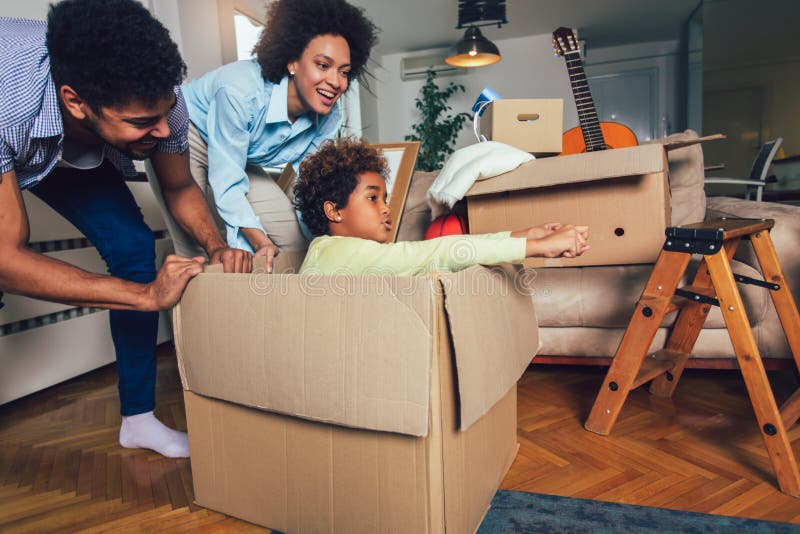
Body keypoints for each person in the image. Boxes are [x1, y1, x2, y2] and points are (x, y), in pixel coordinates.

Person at [0, 0, 252, 458]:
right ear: (75, 102)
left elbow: (178, 187)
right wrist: (146, 296)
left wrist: (216, 247)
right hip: (14, 128)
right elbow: (5, 258)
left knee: (134, 246)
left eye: (165, 113)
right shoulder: (8, 105)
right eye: (141, 123)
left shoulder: (162, 103)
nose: (162, 130)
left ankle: (138, 421)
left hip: (55, 136)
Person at [151, 0, 379, 272]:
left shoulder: (329, 117)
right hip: (187, 134)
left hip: (240, 152)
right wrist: (259, 241)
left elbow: (309, 185)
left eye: (343, 71)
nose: (336, 82)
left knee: (294, 241)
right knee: (199, 251)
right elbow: (228, 181)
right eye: (323, 65)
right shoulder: (240, 92)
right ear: (293, 61)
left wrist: (329, 242)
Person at [294, 139, 590, 275]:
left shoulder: (333, 251)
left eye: (385, 199)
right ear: (334, 211)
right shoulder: (339, 252)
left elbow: (441, 250)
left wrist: (528, 233)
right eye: (373, 198)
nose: (386, 209)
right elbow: (440, 252)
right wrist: (537, 247)